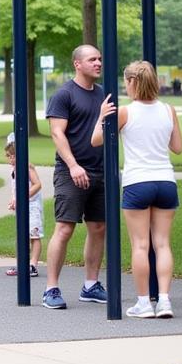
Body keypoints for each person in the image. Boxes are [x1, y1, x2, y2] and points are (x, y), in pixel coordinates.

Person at [93, 61, 182, 319]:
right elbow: (177, 147)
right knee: (163, 244)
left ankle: (144, 302)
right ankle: (164, 300)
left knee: (140, 245)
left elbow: (95, 140)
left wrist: (101, 117)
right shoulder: (169, 110)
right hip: (165, 180)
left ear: (132, 82)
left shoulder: (125, 112)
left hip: (137, 182)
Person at [42, 44, 108, 310]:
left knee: (98, 228)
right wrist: (73, 166)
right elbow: (57, 134)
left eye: (100, 59)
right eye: (93, 59)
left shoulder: (103, 94)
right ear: (77, 64)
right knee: (65, 228)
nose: (98, 63)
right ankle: (51, 289)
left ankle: (91, 285)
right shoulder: (64, 95)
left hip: (99, 171)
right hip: (71, 172)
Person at [4, 133, 42, 278]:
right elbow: (16, 188)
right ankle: (22, 263)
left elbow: (38, 184)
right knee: (22, 235)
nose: (10, 159)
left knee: (34, 235)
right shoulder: (14, 169)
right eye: (8, 156)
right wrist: (14, 200)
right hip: (22, 206)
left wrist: (22, 197)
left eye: (12, 156)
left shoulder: (26, 166)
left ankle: (33, 264)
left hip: (32, 206)